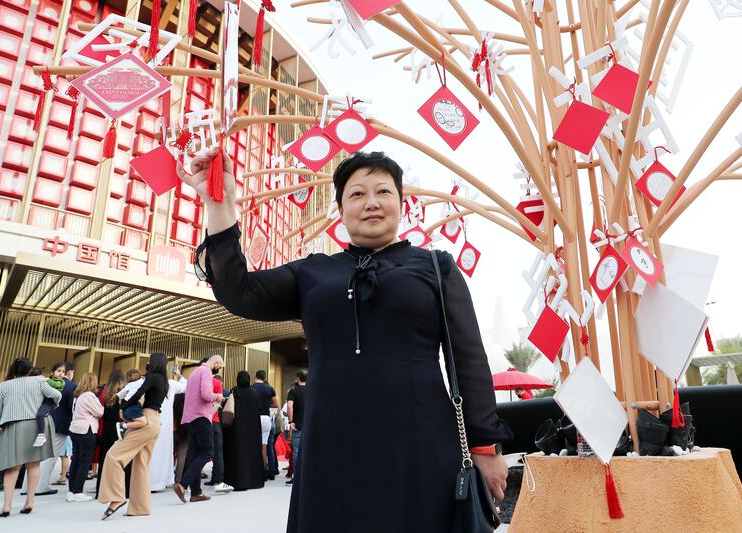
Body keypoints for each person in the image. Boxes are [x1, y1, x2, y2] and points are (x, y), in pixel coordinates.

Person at [187, 149, 512, 532]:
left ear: (401, 204)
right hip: (331, 449)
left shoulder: (435, 267)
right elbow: (237, 291)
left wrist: (486, 449)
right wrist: (219, 204)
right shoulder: (312, 272)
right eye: (357, 194)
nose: (371, 203)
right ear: (340, 210)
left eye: (383, 192)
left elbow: (469, 359)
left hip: (421, 446)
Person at [98, 353, 168, 520]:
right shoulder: (163, 381)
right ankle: (140, 507)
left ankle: (116, 497)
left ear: (155, 362)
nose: (148, 362)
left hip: (146, 421)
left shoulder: (152, 377)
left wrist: (123, 406)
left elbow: (138, 395)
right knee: (141, 466)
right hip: (154, 422)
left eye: (150, 359)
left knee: (114, 456)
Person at [0, 358, 62, 517]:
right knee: (33, 465)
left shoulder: (4, 386)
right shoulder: (39, 381)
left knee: (12, 468)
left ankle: (6, 507)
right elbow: (57, 394)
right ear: (30, 370)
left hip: (13, 427)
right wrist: (47, 407)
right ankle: (29, 503)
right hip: (35, 426)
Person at [173, 355, 224, 504]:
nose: (218, 370)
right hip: (201, 416)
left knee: (194, 454)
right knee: (207, 451)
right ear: (215, 363)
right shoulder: (207, 372)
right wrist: (218, 397)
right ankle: (183, 484)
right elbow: (207, 395)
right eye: (219, 367)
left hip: (189, 417)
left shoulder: (195, 372)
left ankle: (196, 492)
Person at [34, 362, 75, 495]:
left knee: (37, 456)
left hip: (42, 421)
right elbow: (71, 408)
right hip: (61, 424)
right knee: (50, 456)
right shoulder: (71, 386)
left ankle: (27, 487)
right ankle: (40, 487)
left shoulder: (45, 383)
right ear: (70, 373)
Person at [222, 371, 264, 491]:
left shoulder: (235, 391)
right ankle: (252, 480)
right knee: (251, 454)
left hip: (237, 430)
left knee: (238, 453)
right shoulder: (254, 393)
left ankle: (238, 480)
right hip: (252, 430)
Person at [67, 373, 103, 502]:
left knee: (76, 460)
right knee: (85, 461)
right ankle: (78, 491)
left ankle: (71, 490)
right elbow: (100, 412)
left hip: (75, 428)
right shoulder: (90, 396)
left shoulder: (78, 395)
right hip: (86, 430)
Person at [149, 365, 186, 492]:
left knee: (150, 453)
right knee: (165, 454)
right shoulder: (170, 384)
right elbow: (186, 386)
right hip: (167, 426)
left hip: (151, 421)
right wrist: (179, 375)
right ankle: (161, 481)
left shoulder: (147, 382)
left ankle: (148, 481)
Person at [95, 370, 126, 499]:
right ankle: (115, 490)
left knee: (104, 461)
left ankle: (100, 491)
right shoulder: (122, 395)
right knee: (117, 460)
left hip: (105, 430)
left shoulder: (104, 393)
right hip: (117, 430)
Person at [204, 370, 232, 493]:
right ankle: (218, 479)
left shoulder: (202, 384)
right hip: (218, 421)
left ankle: (213, 478)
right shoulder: (225, 391)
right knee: (218, 452)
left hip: (206, 419)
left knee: (206, 451)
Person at [251, 369, 278, 476]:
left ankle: (254, 469)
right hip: (266, 418)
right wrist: (267, 405)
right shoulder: (269, 388)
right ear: (265, 378)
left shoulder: (251, 388)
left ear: (255, 377)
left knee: (253, 445)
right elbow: (276, 404)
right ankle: (263, 470)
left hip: (254, 418)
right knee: (264, 446)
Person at [285, 372, 306, 487]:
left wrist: (291, 421)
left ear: (298, 379)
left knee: (297, 452)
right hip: (309, 426)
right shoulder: (312, 390)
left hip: (298, 425)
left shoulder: (293, 391)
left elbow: (289, 406)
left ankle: (296, 478)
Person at [116, 369, 148, 436]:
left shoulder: (128, 385)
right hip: (134, 407)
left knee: (133, 425)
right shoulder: (142, 382)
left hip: (126, 408)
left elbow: (120, 396)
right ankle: (123, 426)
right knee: (144, 422)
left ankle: (125, 429)